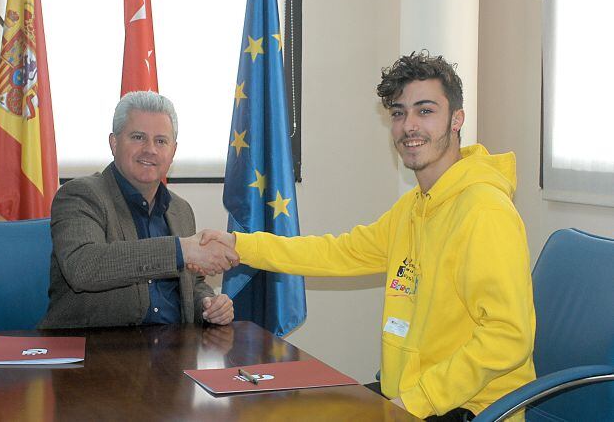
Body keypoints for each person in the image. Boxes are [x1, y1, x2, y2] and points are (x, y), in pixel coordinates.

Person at [194, 52, 536, 421]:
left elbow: (508, 336)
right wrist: (241, 245)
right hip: (412, 396)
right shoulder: (414, 207)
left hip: (472, 409)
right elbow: (339, 253)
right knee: (279, 409)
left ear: (457, 119)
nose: (409, 126)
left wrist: (414, 401)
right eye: (399, 113)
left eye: (425, 111)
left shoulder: (485, 211)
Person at [40, 91, 237, 329]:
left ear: (173, 151)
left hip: (173, 345)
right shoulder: (80, 195)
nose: (150, 149)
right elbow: (83, 267)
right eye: (138, 137)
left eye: (161, 141)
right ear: (114, 143)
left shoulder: (181, 210)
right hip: (92, 345)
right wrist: (180, 250)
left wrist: (207, 304)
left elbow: (192, 283)